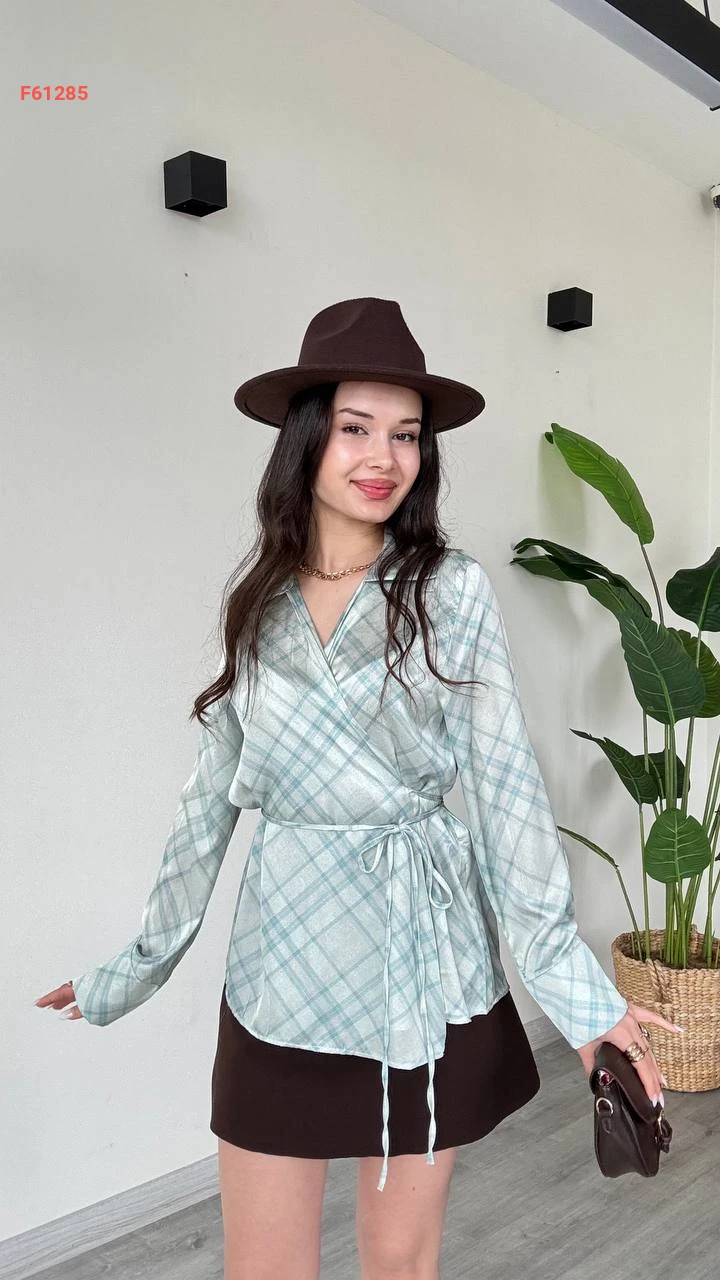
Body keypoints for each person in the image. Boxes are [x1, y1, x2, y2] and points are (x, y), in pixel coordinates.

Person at [36, 297, 681, 1280]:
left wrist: (581, 998)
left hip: (420, 970)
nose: (385, 456)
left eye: (407, 434)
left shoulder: (449, 590)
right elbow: (206, 806)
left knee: (399, 1266)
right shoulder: (257, 603)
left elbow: (505, 795)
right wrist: (137, 966)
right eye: (356, 427)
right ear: (307, 438)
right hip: (280, 970)